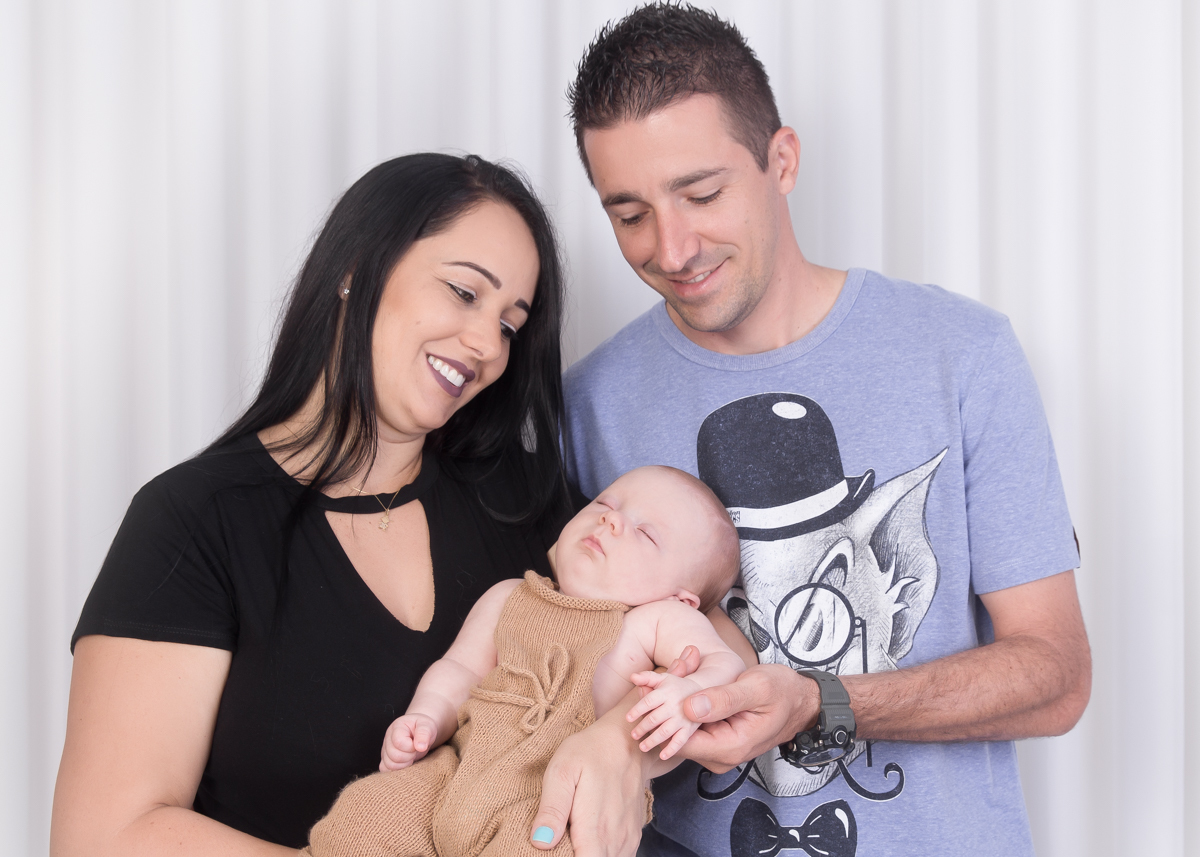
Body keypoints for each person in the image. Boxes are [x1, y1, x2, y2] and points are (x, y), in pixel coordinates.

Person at [547, 5, 1092, 857]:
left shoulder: (960, 353)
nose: (673, 247)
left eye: (702, 194)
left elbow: (1056, 676)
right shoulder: (588, 404)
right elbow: (542, 658)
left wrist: (819, 701)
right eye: (630, 214)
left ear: (783, 160)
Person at [50, 153, 578, 855]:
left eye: (510, 325)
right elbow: (101, 836)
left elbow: (676, 627)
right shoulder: (195, 520)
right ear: (356, 268)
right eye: (462, 292)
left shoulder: (522, 498)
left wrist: (618, 749)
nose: (486, 344)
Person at [304, 465, 751, 857]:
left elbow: (724, 665)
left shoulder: (657, 620)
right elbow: (459, 669)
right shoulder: (511, 596)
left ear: (682, 599)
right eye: (605, 503)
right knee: (363, 817)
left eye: (646, 533)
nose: (611, 519)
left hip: (552, 800)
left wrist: (689, 694)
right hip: (456, 770)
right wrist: (426, 717)